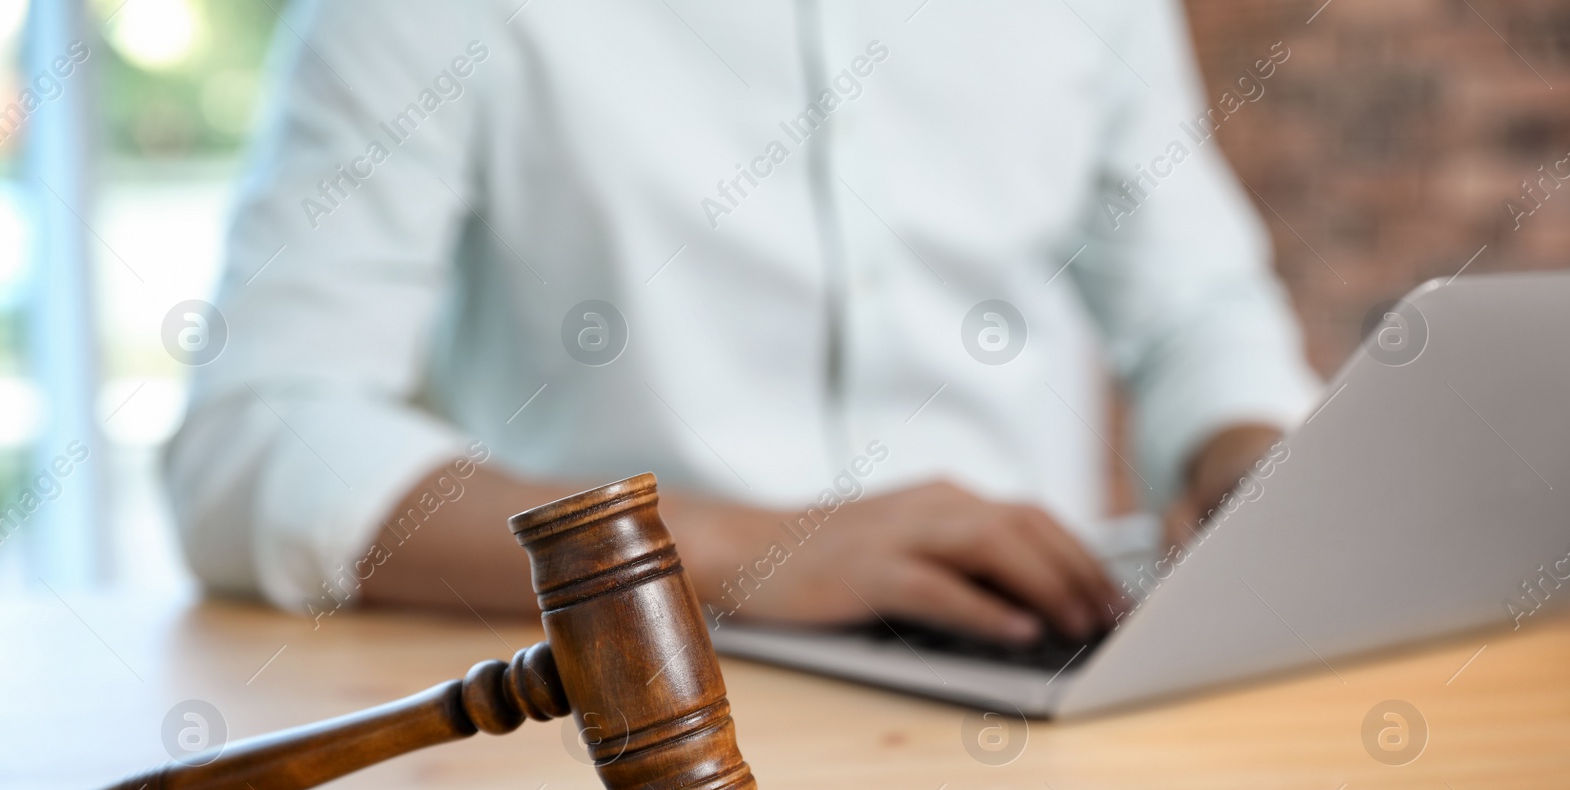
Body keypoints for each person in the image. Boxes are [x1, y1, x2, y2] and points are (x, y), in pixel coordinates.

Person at [166, 0, 1318, 643]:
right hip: (614, 705)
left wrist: (1250, 452)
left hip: (1040, 670)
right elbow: (252, 440)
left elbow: (1196, 312)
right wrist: (731, 547)